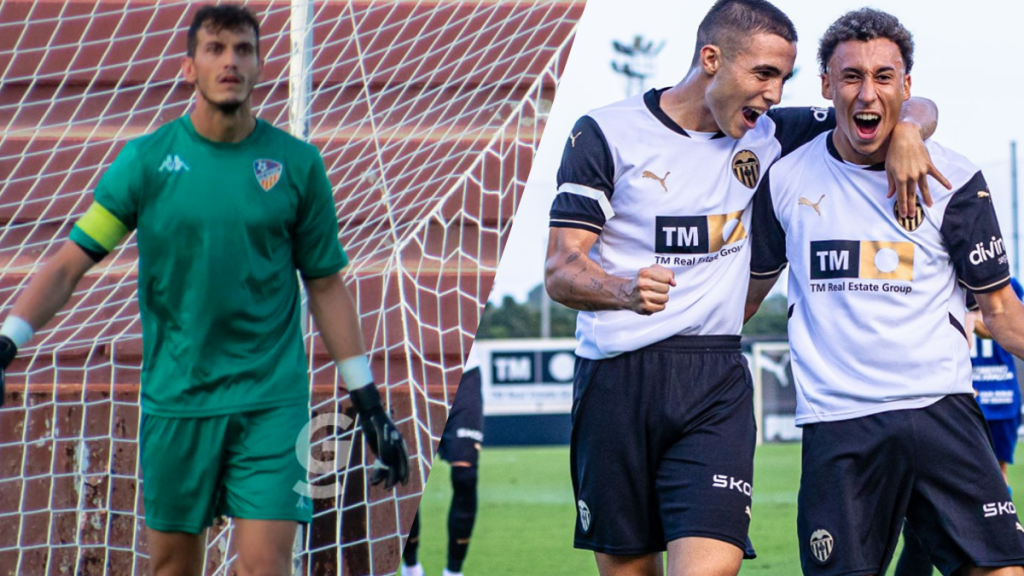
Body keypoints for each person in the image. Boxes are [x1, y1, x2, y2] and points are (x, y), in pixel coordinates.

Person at [0, 5, 408, 576]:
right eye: (215, 49)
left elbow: (325, 284)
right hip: (178, 400)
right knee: (172, 568)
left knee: (267, 568)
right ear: (189, 66)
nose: (230, 62)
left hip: (272, 402)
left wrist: (367, 398)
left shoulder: (297, 166)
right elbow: (70, 264)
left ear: (262, 64)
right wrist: (8, 341)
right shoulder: (145, 163)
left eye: (243, 49)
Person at [543, 1, 943, 575]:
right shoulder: (605, 132)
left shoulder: (772, 132)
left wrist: (909, 131)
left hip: (714, 377)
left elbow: (889, 105)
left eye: (783, 78)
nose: (775, 94)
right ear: (712, 59)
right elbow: (561, 269)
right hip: (615, 379)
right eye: (763, 74)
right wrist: (622, 289)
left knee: (711, 567)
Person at [746, 8, 1024, 576]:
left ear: (906, 86)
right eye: (850, 77)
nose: (866, 93)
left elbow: (1000, 312)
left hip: (940, 412)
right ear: (826, 86)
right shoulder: (785, 176)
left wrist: (913, 127)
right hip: (839, 426)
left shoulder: (956, 180)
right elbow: (743, 299)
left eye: (883, 77)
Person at [895, 279, 1024, 576]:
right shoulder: (936, 282)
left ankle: (997, 531)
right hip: (954, 399)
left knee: (997, 473)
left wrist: (980, 322)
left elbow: (999, 321)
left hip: (996, 398)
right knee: (917, 512)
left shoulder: (1006, 288)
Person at [402, 347, 484, 576]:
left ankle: (454, 571)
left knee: (465, 475)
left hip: (463, 372)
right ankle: (411, 566)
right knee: (404, 476)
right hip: (411, 373)